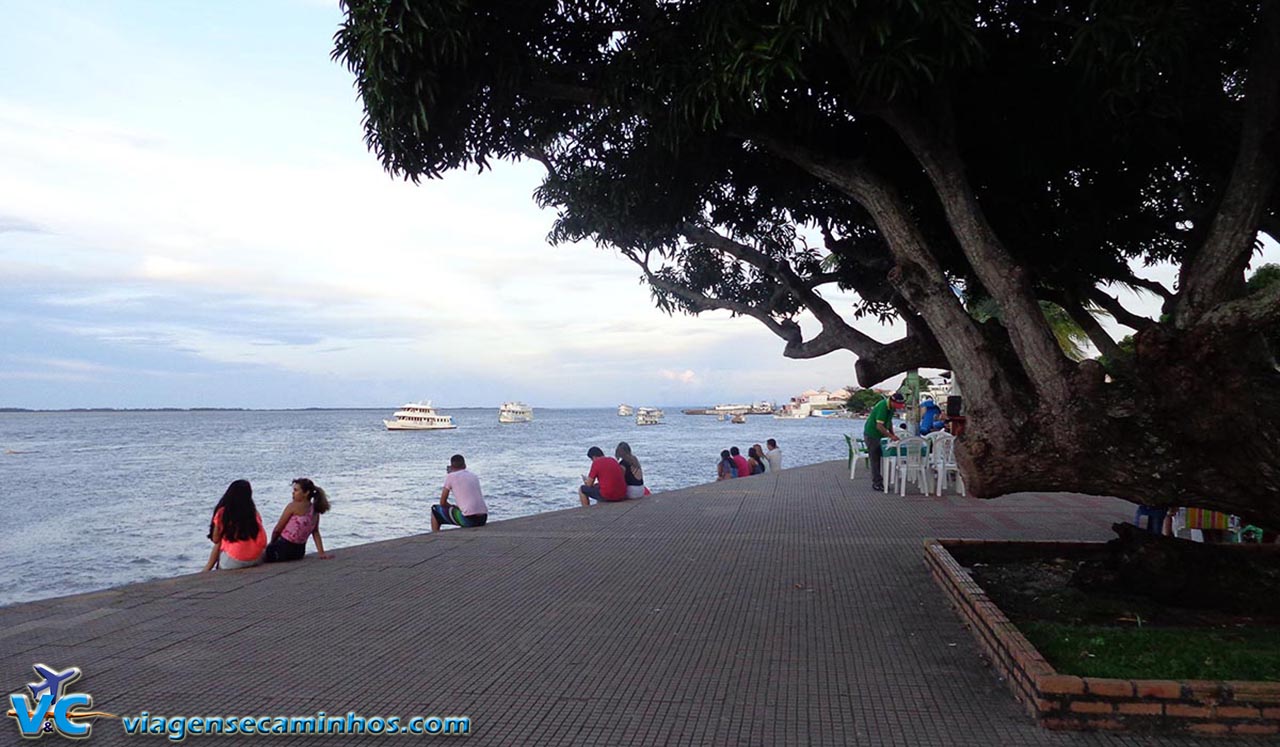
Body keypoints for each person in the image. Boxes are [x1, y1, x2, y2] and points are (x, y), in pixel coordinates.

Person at [203, 479, 267, 571]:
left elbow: (215, 539)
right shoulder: (254, 513)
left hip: (234, 562)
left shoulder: (223, 512)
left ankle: (207, 568)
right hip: (258, 558)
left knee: (220, 541)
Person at [264, 478, 332, 562]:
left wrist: (271, 543)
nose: (293, 493)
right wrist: (321, 553)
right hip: (299, 552)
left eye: (296, 490)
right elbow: (315, 532)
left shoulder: (293, 506)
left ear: (306, 493)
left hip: (283, 549)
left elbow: (277, 529)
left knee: (262, 553)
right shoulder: (314, 510)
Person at [432, 454, 489, 531]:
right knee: (463, 510)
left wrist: (452, 506)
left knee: (435, 510)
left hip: (469, 520)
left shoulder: (450, 477)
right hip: (483, 518)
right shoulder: (473, 476)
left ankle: (435, 535)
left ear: (451, 466)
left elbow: (442, 502)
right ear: (465, 465)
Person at [864, 392, 904, 492]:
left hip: (881, 436)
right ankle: (877, 483)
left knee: (882, 457)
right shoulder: (883, 406)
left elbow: (889, 421)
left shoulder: (891, 408)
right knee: (875, 459)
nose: (898, 408)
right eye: (897, 405)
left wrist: (892, 434)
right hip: (872, 434)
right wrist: (891, 436)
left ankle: (882, 481)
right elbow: (879, 426)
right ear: (891, 401)